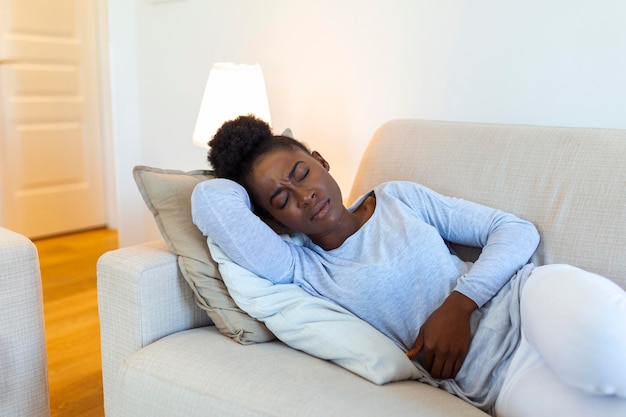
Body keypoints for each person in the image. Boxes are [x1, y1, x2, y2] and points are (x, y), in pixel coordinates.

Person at [191, 115, 626, 417]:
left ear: (322, 161)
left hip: (528, 303)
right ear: (271, 220)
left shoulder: (397, 198)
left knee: (611, 354)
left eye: (301, 173)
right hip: (497, 383)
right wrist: (239, 177)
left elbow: (514, 230)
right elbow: (209, 202)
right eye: (281, 199)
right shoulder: (300, 267)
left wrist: (459, 304)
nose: (302, 195)